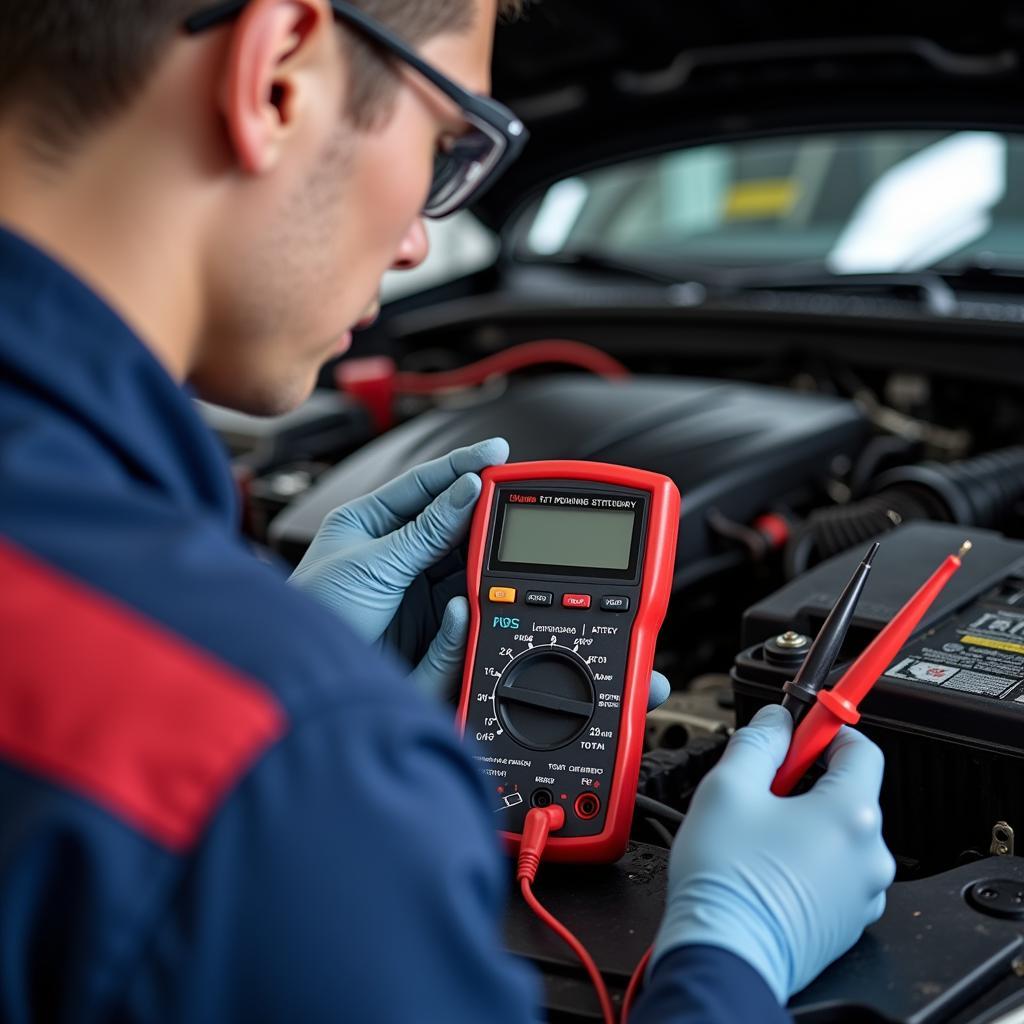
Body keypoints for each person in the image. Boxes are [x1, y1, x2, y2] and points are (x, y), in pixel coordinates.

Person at [0, 0, 895, 1021]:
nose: (422, 241)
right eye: (444, 145)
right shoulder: (267, 767)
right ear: (277, 75)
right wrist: (734, 946)